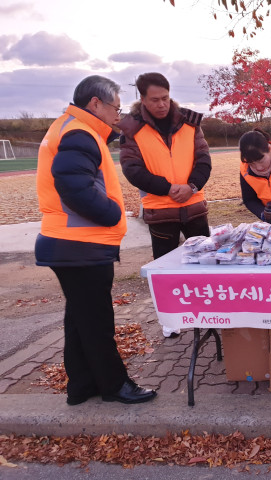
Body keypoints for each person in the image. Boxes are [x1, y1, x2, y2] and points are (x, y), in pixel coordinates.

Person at [35, 75, 157, 406]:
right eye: (115, 107)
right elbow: (74, 188)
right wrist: (113, 213)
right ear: (95, 103)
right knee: (97, 321)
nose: (118, 115)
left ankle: (81, 386)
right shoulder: (79, 132)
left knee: (80, 319)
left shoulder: (70, 127)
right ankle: (114, 385)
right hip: (80, 244)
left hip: (71, 243)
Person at [119, 72, 212, 338]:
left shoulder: (190, 122)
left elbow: (204, 160)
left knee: (206, 262)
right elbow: (132, 169)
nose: (161, 104)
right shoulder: (131, 128)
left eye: (165, 98)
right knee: (164, 270)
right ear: (142, 98)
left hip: (194, 205)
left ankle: (210, 311)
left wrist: (191, 186)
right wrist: (167, 188)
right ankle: (170, 319)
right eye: (154, 100)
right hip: (160, 210)